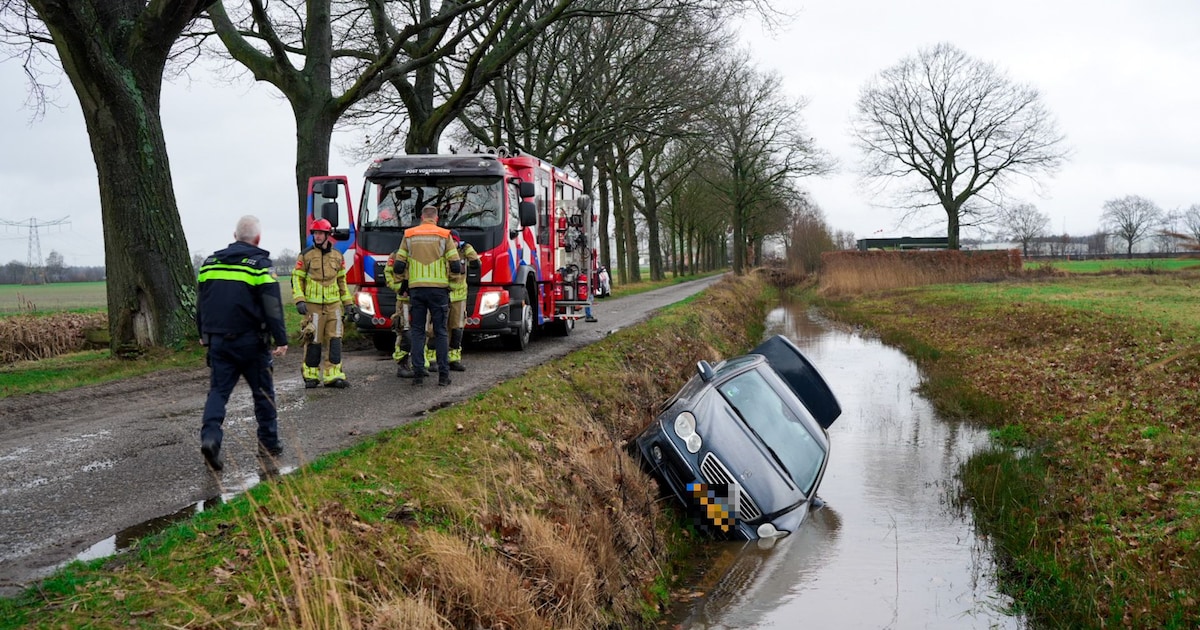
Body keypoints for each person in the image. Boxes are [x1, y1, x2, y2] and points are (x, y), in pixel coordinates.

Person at [195, 215, 289, 471]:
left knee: (218, 393)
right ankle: (268, 444)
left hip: (218, 342)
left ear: (235, 236)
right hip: (252, 343)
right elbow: (272, 305)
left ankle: (210, 438)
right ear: (258, 238)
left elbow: (201, 303)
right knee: (263, 394)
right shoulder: (259, 266)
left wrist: (203, 332)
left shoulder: (209, 264)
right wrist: (281, 338)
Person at [394, 205, 461, 386]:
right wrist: (451, 284)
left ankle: (418, 375)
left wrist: (404, 284)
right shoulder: (444, 235)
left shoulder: (409, 235)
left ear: (422, 217)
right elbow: (456, 265)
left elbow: (398, 266)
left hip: (417, 290)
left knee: (417, 332)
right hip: (439, 290)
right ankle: (443, 376)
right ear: (436, 218)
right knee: (440, 332)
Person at [292, 218, 356, 388]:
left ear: (328, 235)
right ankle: (311, 376)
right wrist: (299, 300)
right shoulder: (305, 255)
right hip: (313, 307)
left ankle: (333, 375)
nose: (317, 236)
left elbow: (342, 281)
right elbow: (297, 279)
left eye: (320, 233)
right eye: (315, 233)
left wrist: (348, 303)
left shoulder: (337, 256)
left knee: (335, 341)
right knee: (313, 341)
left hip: (334, 306)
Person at [425, 229, 479, 371]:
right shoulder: (439, 252)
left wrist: (468, 249)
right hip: (441, 295)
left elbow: (476, 263)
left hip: (459, 297)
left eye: (455, 241)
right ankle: (432, 358)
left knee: (456, 328)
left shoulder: (463, 252)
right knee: (434, 328)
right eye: (450, 241)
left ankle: (453, 358)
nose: (452, 243)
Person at [384, 253, 413, 377]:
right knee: (404, 331)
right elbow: (388, 273)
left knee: (423, 331)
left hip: (420, 300)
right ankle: (402, 364)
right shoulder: (396, 255)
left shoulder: (422, 251)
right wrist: (399, 289)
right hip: (404, 302)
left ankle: (419, 364)